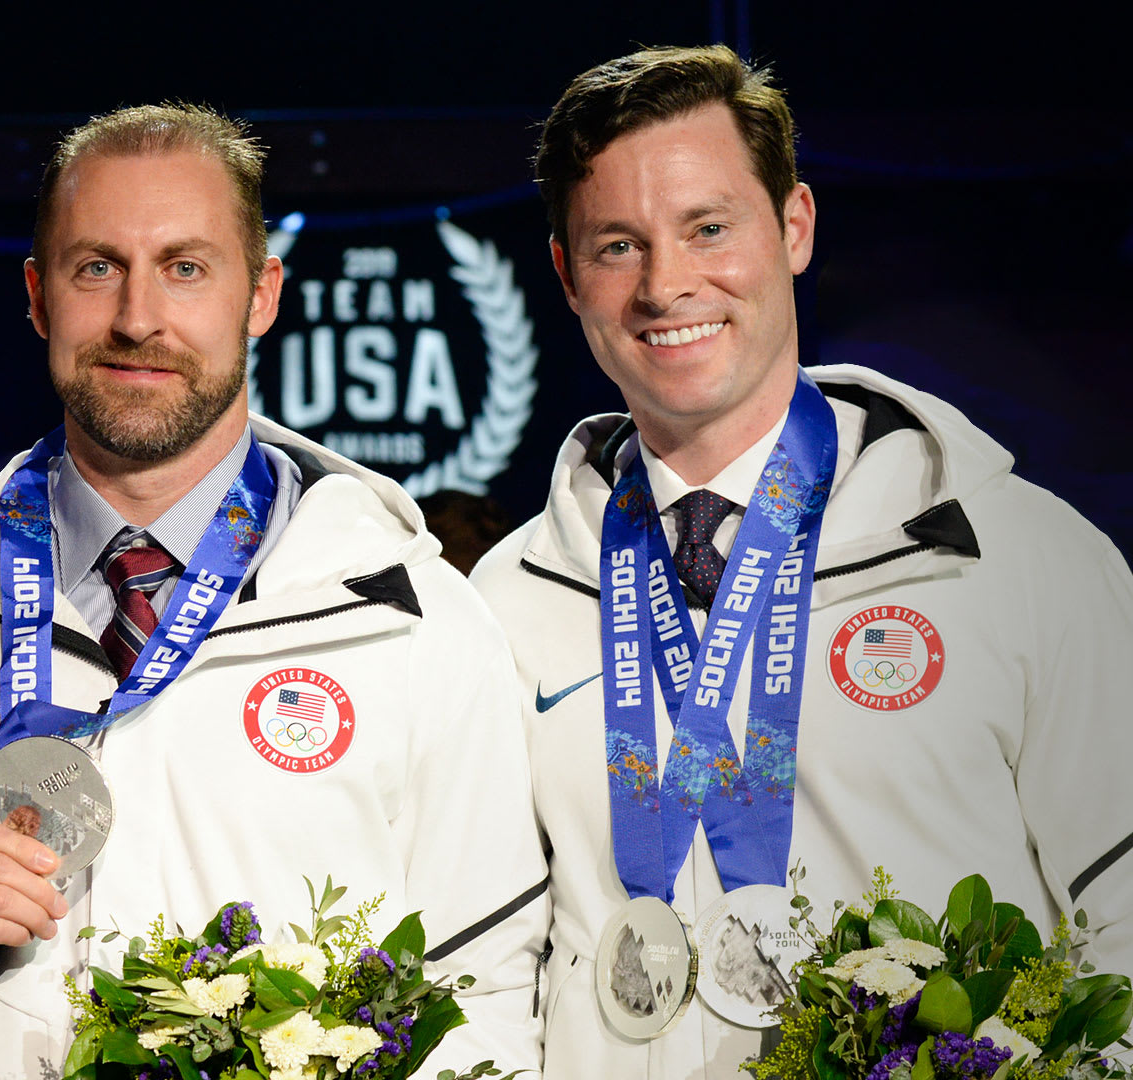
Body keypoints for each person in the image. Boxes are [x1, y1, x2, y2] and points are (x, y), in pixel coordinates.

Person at [0, 103, 549, 1078]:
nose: (137, 317)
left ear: (263, 293)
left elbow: (483, 1000)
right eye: (96, 267)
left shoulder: (416, 623)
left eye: (185, 268)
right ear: (38, 296)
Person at [468, 45, 1133, 1077]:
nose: (666, 284)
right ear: (564, 274)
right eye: (616, 245)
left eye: (709, 228)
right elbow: (491, 968)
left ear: (794, 227)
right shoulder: (504, 601)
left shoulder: (1013, 557)